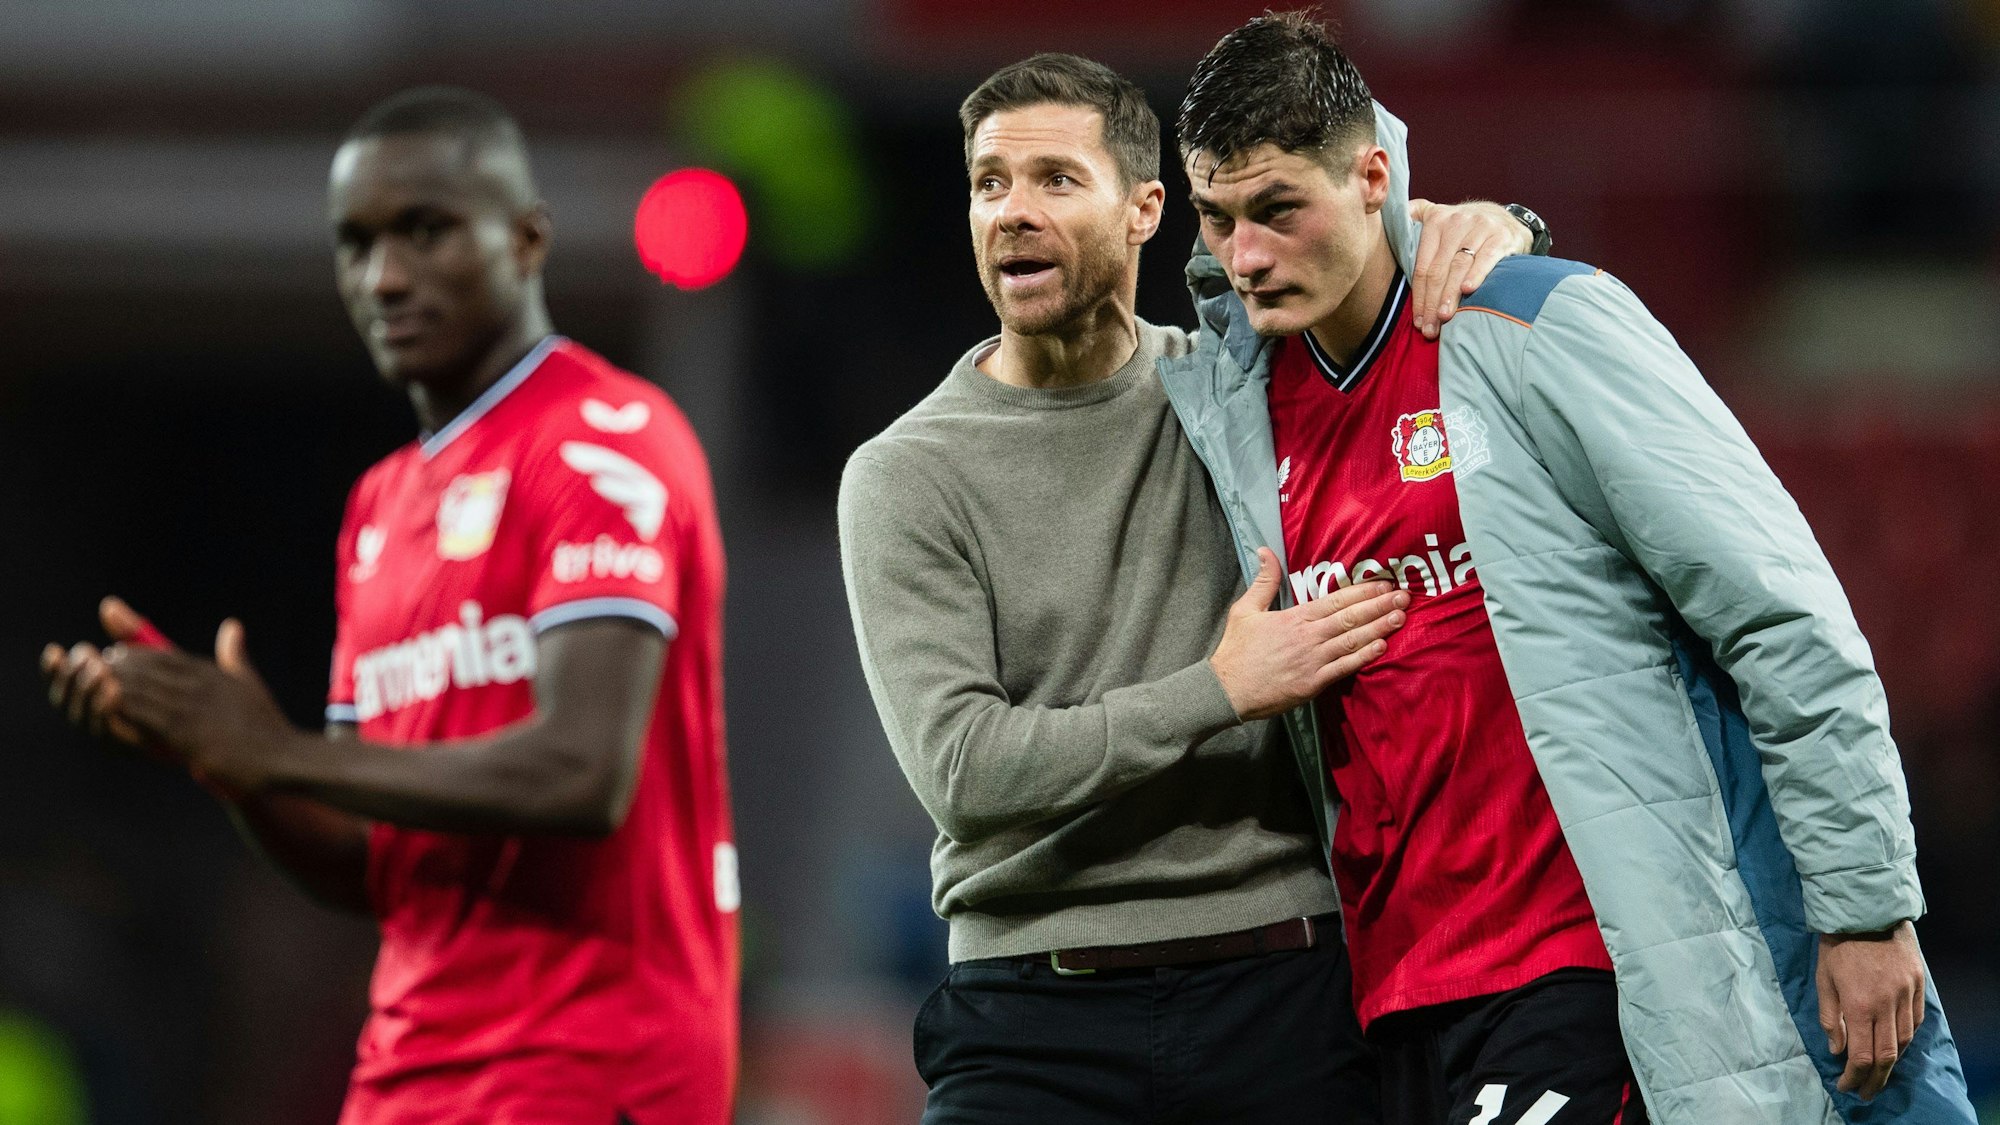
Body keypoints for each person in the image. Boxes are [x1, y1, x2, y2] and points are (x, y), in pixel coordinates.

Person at [1162, 13, 1976, 1125]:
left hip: (1575, 967)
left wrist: (1864, 907)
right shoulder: (1234, 410)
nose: (1244, 254)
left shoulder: (1537, 325)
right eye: (1218, 218)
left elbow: (1778, 612)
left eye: (1275, 211)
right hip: (1387, 1003)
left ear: (1368, 176)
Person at [837, 52, 1540, 1123]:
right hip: (1033, 1018)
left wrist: (1496, 226)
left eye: (1056, 181)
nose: (1012, 213)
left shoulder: (1237, 390)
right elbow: (964, 770)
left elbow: (1360, 263)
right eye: (989, 183)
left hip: (1282, 994)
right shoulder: (902, 474)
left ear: (1146, 209)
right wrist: (1218, 689)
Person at [40, 87, 738, 1125]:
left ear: (526, 239)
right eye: (355, 243)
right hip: (412, 1072)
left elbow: (583, 772)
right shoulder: (381, 506)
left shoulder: (604, 441)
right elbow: (371, 865)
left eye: (426, 231)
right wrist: (220, 757)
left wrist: (275, 751)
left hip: (590, 1060)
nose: (386, 277)